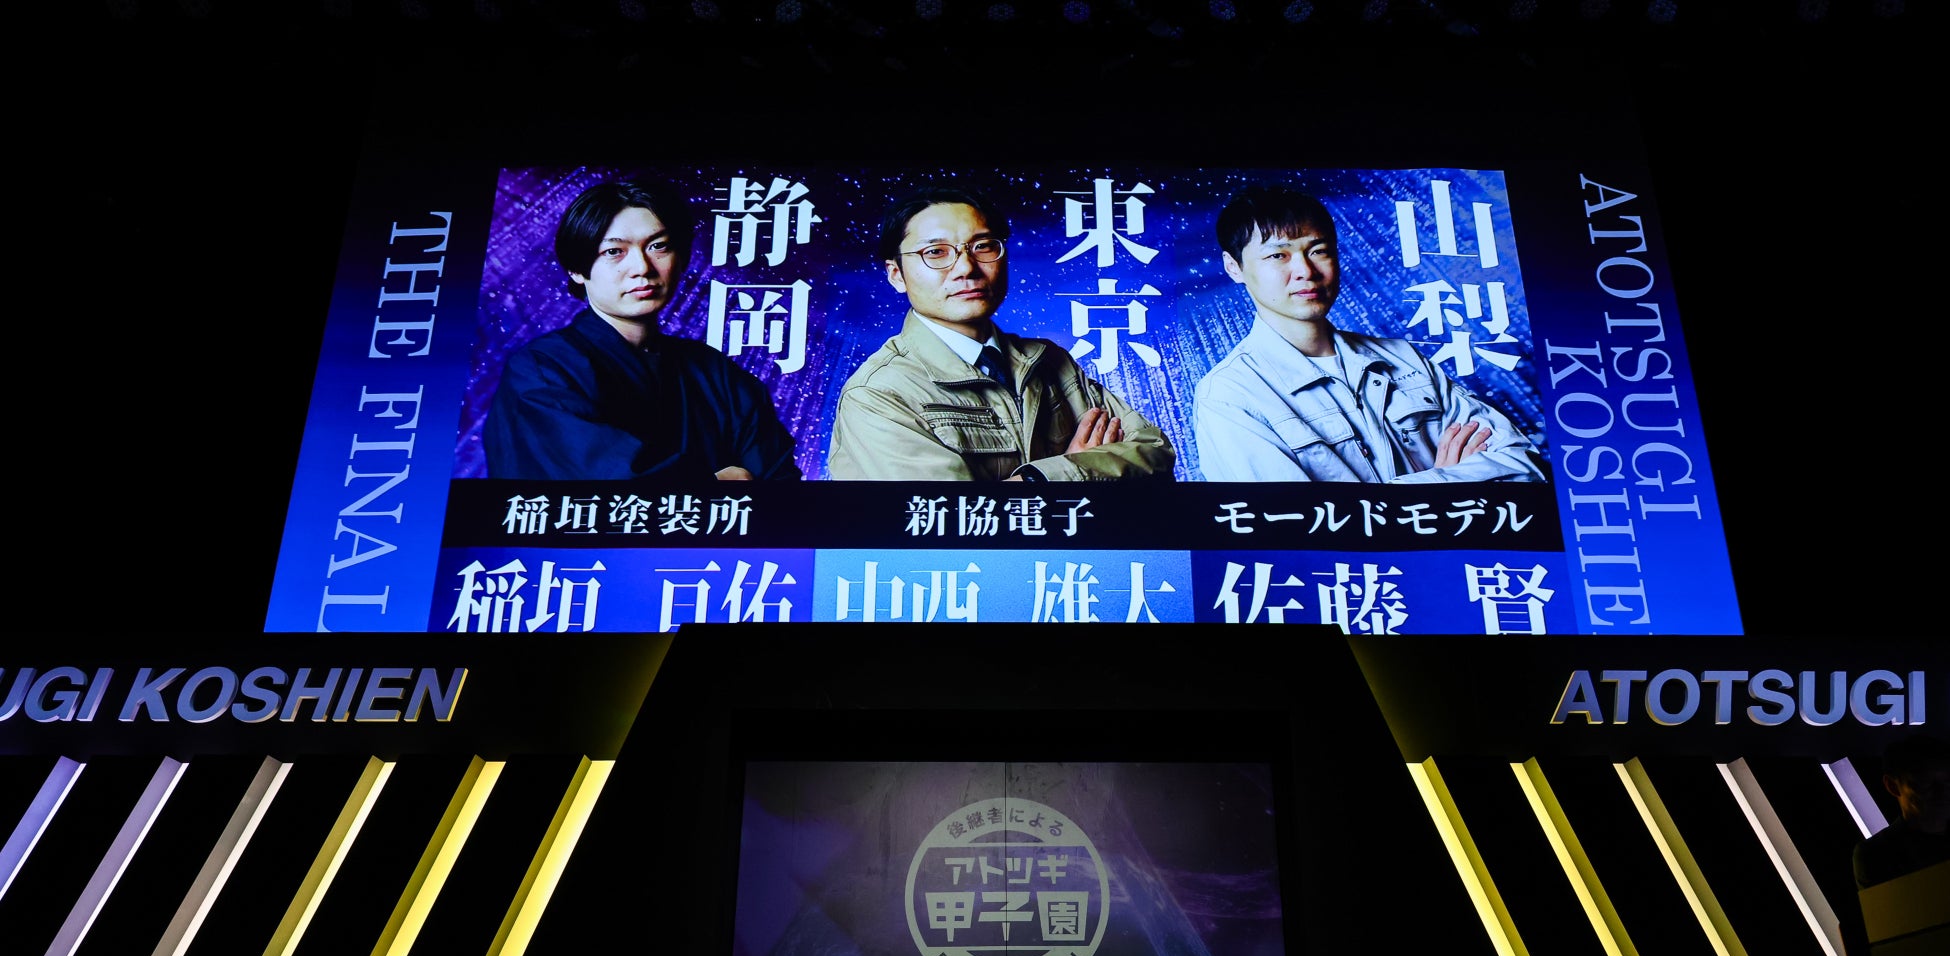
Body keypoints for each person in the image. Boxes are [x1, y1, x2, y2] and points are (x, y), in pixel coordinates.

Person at [1193, 185, 1545, 485]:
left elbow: (1524, 466)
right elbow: (1291, 526)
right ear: (1234, 267)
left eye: (1318, 251)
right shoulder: (1230, 395)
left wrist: (1429, 487)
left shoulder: (1404, 358)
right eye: (1278, 255)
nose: (1305, 271)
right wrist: (1442, 484)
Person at [827, 186, 1173, 482]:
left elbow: (1154, 451)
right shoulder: (879, 393)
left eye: (983, 246)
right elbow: (949, 524)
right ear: (896, 275)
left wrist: (1043, 478)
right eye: (935, 252)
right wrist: (1060, 479)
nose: (966, 268)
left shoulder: (1049, 360)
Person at [482, 177, 800, 482]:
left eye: (658, 246)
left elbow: (778, 486)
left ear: (681, 257)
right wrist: (711, 484)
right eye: (614, 251)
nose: (642, 268)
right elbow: (598, 484)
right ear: (576, 268)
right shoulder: (541, 369)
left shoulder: (715, 372)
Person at [1853, 735, 1950, 889]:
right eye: (1924, 782)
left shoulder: (1876, 853)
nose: (1942, 791)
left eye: (1948, 781)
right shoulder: (1877, 855)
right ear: (1892, 786)